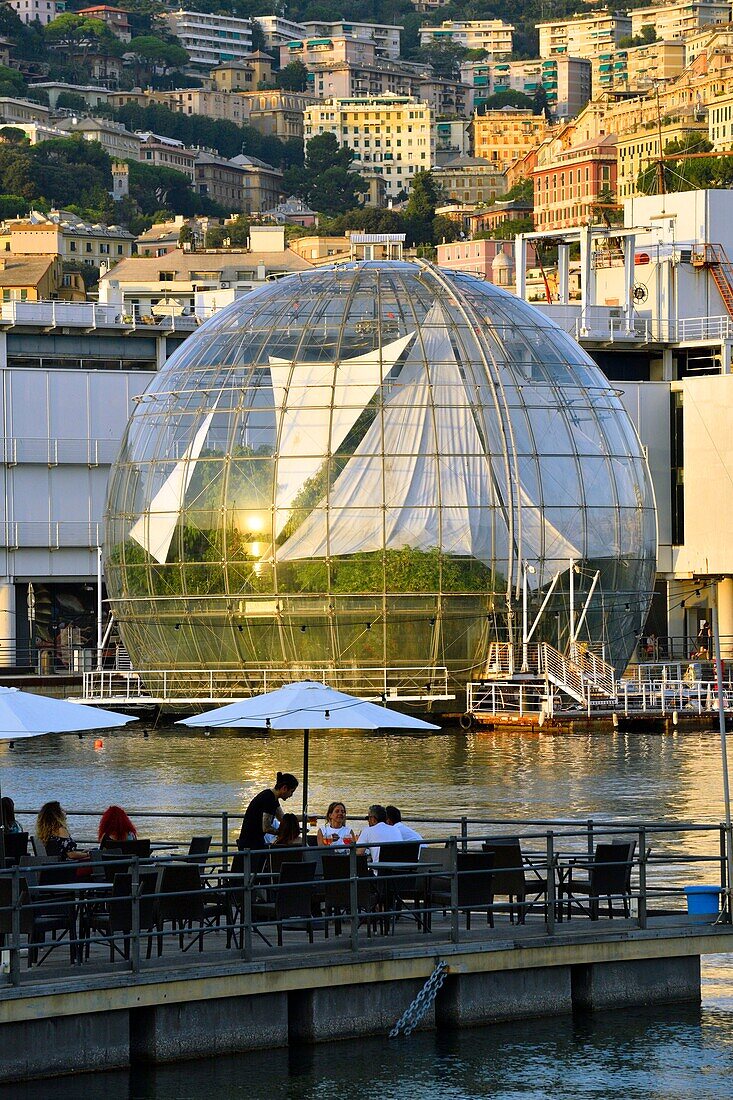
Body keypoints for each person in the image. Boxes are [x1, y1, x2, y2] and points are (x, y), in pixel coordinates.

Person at [237, 772, 299, 853]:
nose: (291, 795)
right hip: (250, 843)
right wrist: (282, 833)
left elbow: (282, 818)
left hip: (255, 840)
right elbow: (266, 827)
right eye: (291, 791)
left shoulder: (272, 797)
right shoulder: (269, 799)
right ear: (284, 788)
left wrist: (306, 818)